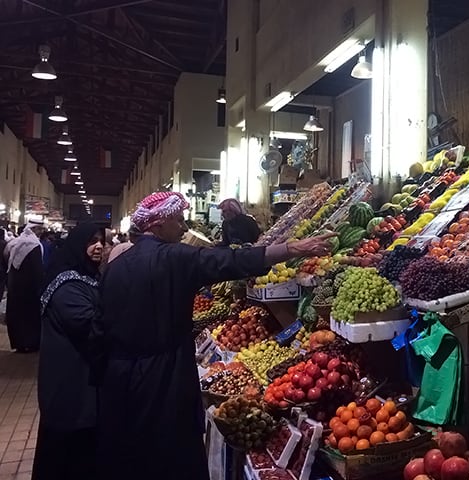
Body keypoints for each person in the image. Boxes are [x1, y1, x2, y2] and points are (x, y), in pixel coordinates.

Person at [94, 191, 334, 480]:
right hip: (164, 374)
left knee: (131, 451)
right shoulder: (173, 257)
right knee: (172, 451)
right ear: (157, 224)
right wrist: (291, 249)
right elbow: (229, 260)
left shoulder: (115, 267)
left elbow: (100, 324)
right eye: (179, 220)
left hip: (120, 377)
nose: (184, 228)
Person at [33, 224, 105, 480]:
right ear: (77, 245)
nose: (98, 246)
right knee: (66, 460)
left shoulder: (88, 278)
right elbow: (88, 325)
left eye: (101, 241)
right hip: (70, 387)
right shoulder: (68, 286)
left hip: (80, 384)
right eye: (91, 241)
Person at [4, 219, 45, 352]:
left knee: (16, 315)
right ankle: (30, 343)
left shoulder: (15, 243)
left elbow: (6, 260)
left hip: (14, 285)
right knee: (29, 316)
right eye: (39, 229)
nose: (42, 232)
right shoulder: (34, 245)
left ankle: (19, 344)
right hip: (29, 288)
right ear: (34, 229)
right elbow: (37, 269)